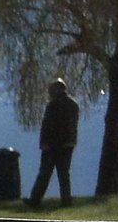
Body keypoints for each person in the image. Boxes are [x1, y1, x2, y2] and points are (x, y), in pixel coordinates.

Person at [29, 78, 80, 210]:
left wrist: (44, 143)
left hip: (52, 145)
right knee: (64, 174)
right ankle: (66, 200)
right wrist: (71, 142)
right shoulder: (73, 105)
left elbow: (47, 126)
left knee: (45, 173)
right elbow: (72, 126)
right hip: (67, 144)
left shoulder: (52, 105)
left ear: (56, 90)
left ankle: (35, 200)